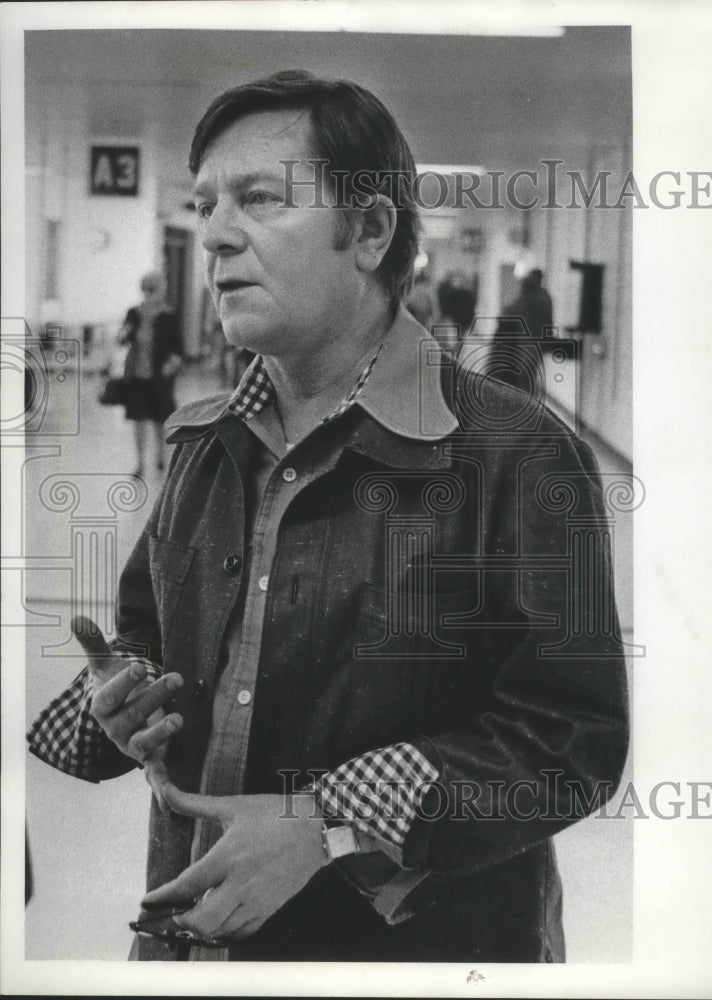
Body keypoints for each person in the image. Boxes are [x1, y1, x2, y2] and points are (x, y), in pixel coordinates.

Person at [27, 70, 629, 963]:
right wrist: (131, 697)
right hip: (193, 943)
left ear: (372, 230)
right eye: (206, 203)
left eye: (260, 199)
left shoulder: (514, 453)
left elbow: (570, 740)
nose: (215, 233)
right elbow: (149, 633)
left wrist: (327, 825)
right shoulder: (206, 443)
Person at [119, 271, 184, 476]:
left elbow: (178, 347)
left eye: (154, 290)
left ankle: (161, 458)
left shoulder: (168, 316)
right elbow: (122, 339)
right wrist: (125, 332)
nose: (152, 294)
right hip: (137, 376)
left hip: (160, 377)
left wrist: (171, 364)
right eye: (148, 290)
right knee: (139, 420)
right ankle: (140, 463)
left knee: (160, 420)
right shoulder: (133, 313)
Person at [490, 267, 554, 399]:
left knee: (524, 375)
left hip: (526, 341)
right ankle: (529, 401)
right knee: (530, 373)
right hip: (538, 342)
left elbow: (509, 312)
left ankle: (525, 401)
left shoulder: (529, 297)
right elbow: (549, 322)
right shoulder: (545, 297)